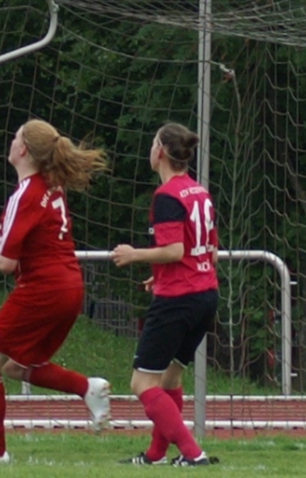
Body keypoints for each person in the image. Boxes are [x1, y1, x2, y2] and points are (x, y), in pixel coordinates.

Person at [0, 118, 111, 463]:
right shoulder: (50, 187)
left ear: (23, 149)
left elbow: (5, 261)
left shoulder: (26, 192)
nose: (11, 142)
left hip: (44, 288)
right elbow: (26, 238)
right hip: (69, 286)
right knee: (16, 366)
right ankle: (87, 387)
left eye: (15, 137)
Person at [111, 122, 219, 467]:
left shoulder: (167, 195)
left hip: (179, 299)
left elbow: (174, 250)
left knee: (142, 382)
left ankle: (193, 453)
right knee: (170, 377)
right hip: (205, 295)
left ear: (160, 151)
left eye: (152, 143)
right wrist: (159, 275)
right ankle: (156, 455)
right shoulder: (199, 192)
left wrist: (134, 255)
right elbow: (209, 252)